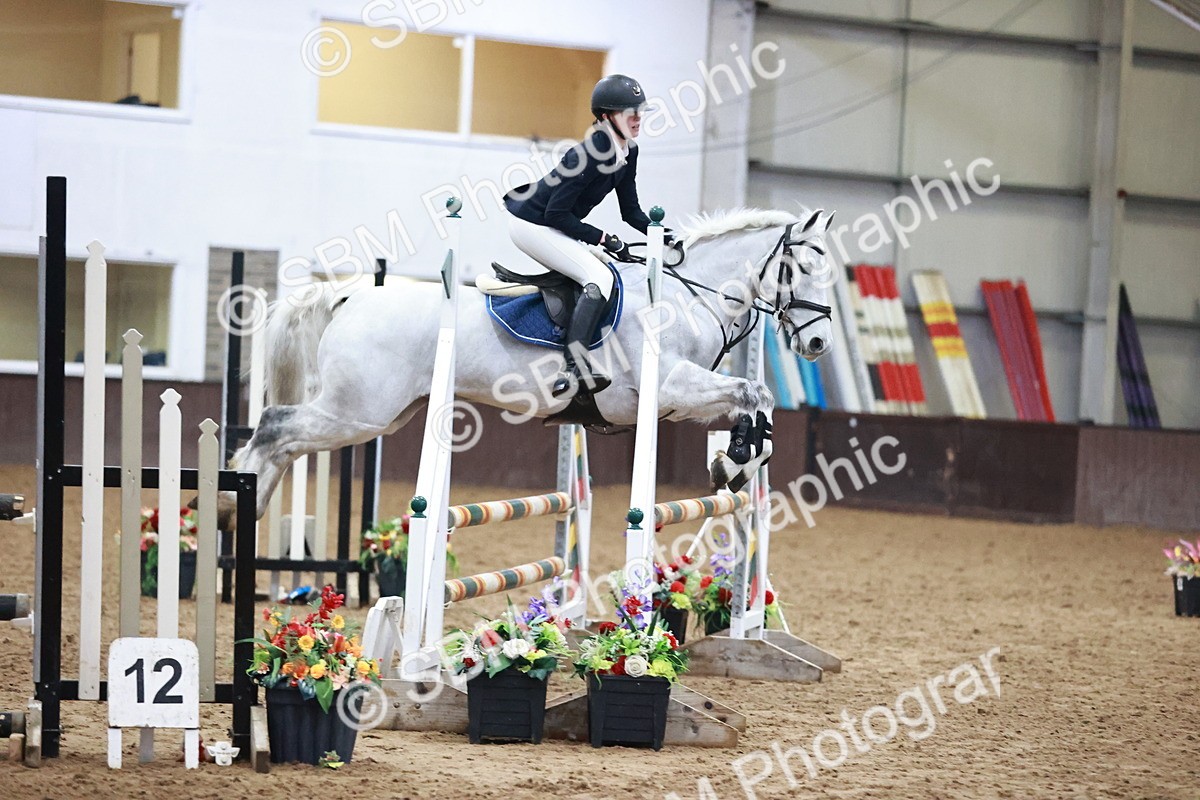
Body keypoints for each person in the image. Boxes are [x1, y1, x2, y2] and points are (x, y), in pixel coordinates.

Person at [504, 74, 664, 398]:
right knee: (598, 277)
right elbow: (556, 214)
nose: (638, 119)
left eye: (640, 112)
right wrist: (604, 239)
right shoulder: (587, 153)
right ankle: (572, 369)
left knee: (609, 270)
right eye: (629, 113)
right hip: (531, 224)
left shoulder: (628, 152)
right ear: (606, 117)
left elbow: (631, 211)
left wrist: (666, 236)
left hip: (552, 223)